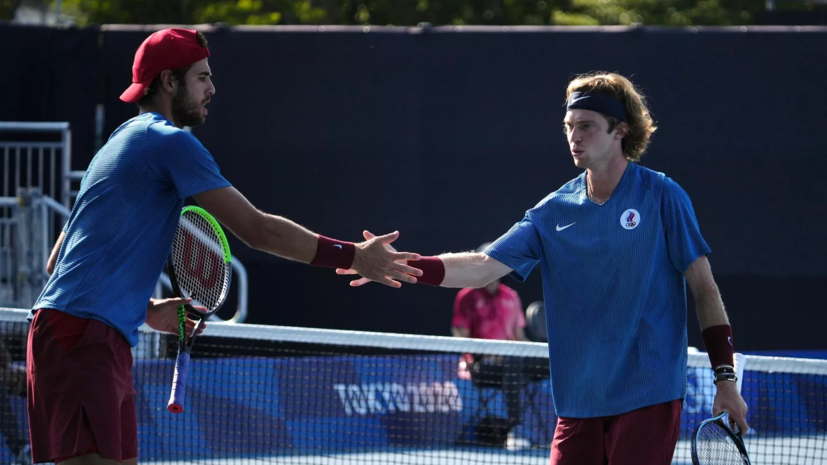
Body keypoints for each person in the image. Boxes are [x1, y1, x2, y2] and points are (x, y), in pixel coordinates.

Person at [27, 28, 423, 465]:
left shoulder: (117, 145)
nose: (212, 88)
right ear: (169, 82)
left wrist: (145, 309)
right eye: (202, 77)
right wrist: (354, 255)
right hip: (81, 338)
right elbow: (258, 231)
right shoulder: (169, 142)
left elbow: (56, 263)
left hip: (93, 335)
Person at [338, 72, 749, 465]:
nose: (574, 136)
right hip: (577, 400)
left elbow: (704, 289)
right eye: (569, 125)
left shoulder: (663, 196)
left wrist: (725, 381)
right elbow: (482, 267)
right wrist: (401, 265)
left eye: (587, 125)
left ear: (620, 130)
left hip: (649, 393)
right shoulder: (552, 211)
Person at [451, 243, 530, 449]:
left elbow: (520, 338)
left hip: (511, 363)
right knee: (513, 365)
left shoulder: (511, 296)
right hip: (481, 366)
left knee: (538, 364)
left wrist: (540, 354)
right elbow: (461, 336)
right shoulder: (467, 296)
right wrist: (483, 354)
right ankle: (514, 428)